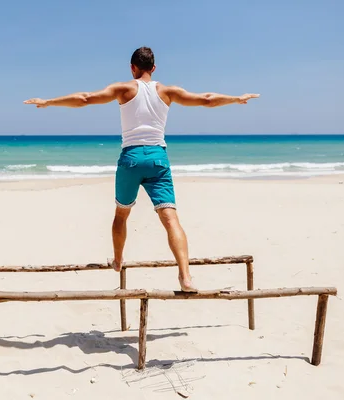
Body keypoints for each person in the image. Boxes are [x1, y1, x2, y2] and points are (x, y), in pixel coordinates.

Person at [24, 47, 259, 292]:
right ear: (154, 68)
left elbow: (85, 98)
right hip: (158, 158)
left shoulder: (123, 89)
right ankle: (186, 276)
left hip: (131, 158)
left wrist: (48, 102)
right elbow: (207, 99)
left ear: (132, 67)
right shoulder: (168, 91)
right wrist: (236, 98)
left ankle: (117, 260)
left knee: (121, 214)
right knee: (170, 219)